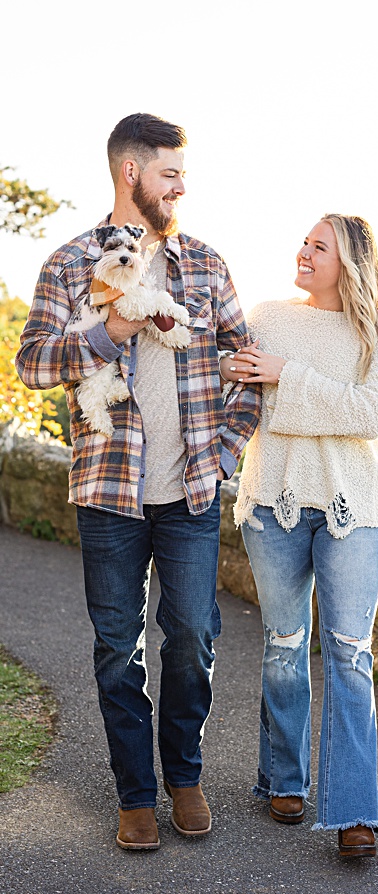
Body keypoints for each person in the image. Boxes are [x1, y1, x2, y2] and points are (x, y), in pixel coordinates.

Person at [15, 113, 261, 850]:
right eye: (171, 174)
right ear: (132, 174)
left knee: (191, 636)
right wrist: (110, 332)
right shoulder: (68, 264)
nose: (183, 187)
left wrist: (224, 454)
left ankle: (183, 776)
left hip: (190, 492)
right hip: (108, 496)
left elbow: (246, 367)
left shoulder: (207, 266)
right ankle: (135, 794)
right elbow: (32, 364)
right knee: (118, 647)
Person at [223, 213, 378, 858]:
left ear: (350, 262)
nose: (302, 252)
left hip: (352, 510)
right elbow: (244, 393)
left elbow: (371, 416)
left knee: (349, 656)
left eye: (318, 246)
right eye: (303, 241)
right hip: (271, 501)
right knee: (283, 644)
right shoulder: (269, 317)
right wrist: (273, 379)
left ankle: (356, 811)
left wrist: (286, 376)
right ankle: (284, 778)